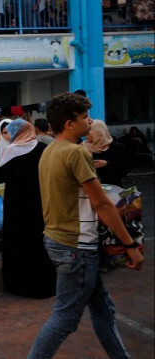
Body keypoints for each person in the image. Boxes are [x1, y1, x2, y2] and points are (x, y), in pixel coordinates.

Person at [27, 93, 144, 358]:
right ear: (70, 124)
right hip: (76, 246)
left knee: (104, 310)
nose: (90, 122)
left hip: (59, 241)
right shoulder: (76, 152)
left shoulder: (49, 151)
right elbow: (102, 204)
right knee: (64, 319)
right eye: (84, 118)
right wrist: (130, 245)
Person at [0, 119, 55, 299]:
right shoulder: (43, 149)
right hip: (39, 202)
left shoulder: (12, 151)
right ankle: (44, 283)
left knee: (18, 241)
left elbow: (0, 174)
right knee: (38, 241)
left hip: (17, 205)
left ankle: (18, 283)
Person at [82, 120, 131, 187]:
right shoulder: (82, 148)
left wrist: (107, 164)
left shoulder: (117, 148)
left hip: (113, 189)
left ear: (99, 132)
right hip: (89, 191)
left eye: (90, 130)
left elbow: (125, 169)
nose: (86, 133)